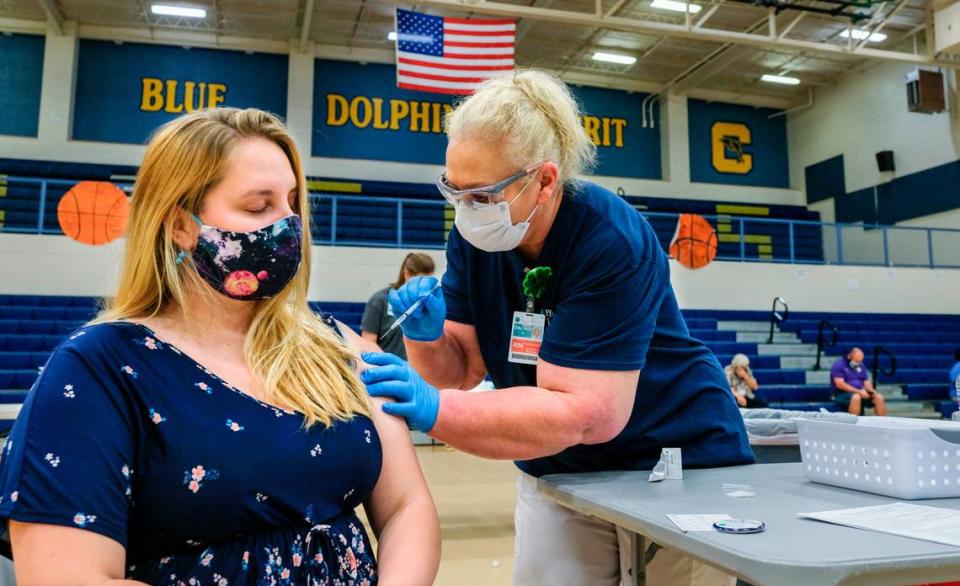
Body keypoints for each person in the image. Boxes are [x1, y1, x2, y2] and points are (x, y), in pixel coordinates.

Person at [0, 108, 440, 584]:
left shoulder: (333, 345)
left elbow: (406, 506)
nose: (289, 223)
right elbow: (68, 576)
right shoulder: (99, 370)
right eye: (258, 207)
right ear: (180, 226)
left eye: (292, 202)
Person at [360, 69, 753, 586]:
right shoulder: (478, 239)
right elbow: (459, 369)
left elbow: (589, 414)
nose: (466, 209)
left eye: (482, 193)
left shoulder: (608, 239)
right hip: (559, 461)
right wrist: (426, 338)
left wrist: (438, 412)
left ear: (544, 180)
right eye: (453, 190)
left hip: (673, 459)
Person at [361, 253, 435, 360]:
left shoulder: (431, 305)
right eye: (420, 280)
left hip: (419, 373)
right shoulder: (380, 300)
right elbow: (368, 341)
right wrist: (390, 364)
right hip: (387, 371)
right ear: (406, 274)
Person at [831, 347, 887, 416]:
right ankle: (855, 423)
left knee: (879, 397)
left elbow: (866, 381)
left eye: (860, 361)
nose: (858, 363)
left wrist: (871, 391)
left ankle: (881, 422)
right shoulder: (839, 365)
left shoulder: (861, 365)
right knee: (856, 397)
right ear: (849, 356)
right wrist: (858, 391)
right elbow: (840, 384)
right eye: (857, 361)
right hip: (841, 394)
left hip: (860, 392)